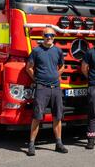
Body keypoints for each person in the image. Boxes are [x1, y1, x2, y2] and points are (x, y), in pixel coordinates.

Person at [25, 26, 68, 156]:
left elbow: (62, 66)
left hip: (55, 88)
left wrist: (56, 74)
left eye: (51, 36)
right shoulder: (36, 51)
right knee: (37, 117)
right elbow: (29, 68)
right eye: (46, 35)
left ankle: (59, 143)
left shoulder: (58, 51)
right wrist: (37, 79)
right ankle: (31, 145)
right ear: (42, 37)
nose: (49, 38)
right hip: (41, 88)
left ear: (54, 37)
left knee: (57, 116)